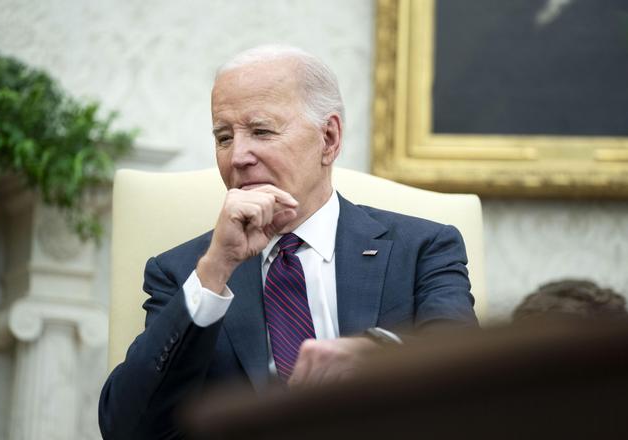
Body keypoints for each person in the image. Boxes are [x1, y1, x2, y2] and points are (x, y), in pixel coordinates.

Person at [99, 45, 477, 439]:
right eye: (224, 137)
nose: (238, 156)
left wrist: (379, 355)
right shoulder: (185, 274)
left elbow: (469, 376)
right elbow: (127, 428)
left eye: (261, 131)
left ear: (328, 139)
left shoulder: (422, 248)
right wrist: (216, 269)